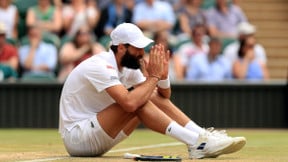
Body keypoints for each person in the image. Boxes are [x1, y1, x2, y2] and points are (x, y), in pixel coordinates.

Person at [59, 23, 246, 159]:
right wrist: (153, 78)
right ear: (122, 48)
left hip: (103, 135)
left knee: (144, 94)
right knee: (136, 100)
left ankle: (202, 136)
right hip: (77, 138)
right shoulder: (98, 65)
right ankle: (197, 142)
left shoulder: (128, 68)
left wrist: (162, 77)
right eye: (137, 48)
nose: (142, 53)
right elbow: (130, 103)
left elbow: (162, 97)